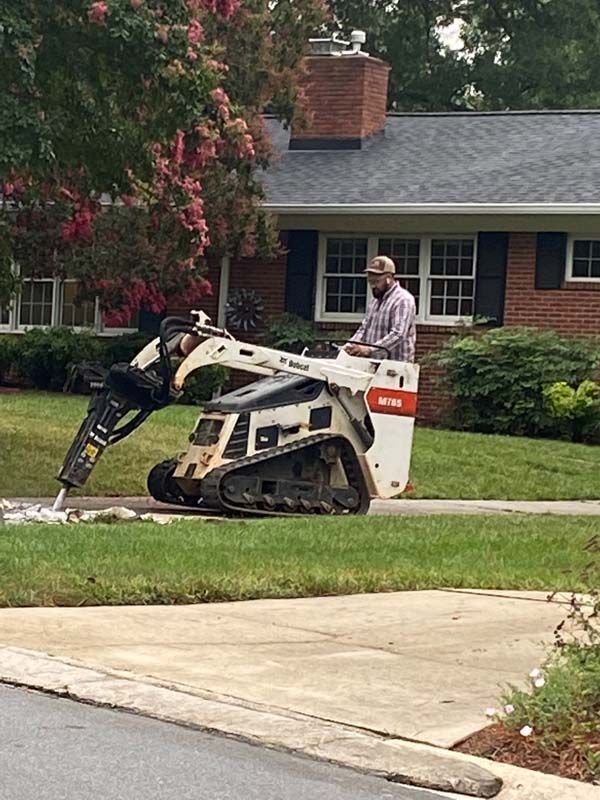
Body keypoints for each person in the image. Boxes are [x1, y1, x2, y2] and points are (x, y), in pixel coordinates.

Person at [344, 255, 416, 362]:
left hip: (395, 366)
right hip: (373, 364)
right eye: (370, 282)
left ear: (389, 278)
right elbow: (364, 329)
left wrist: (369, 349)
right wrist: (349, 346)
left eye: (377, 281)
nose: (373, 286)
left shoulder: (403, 300)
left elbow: (398, 334)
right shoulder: (375, 301)